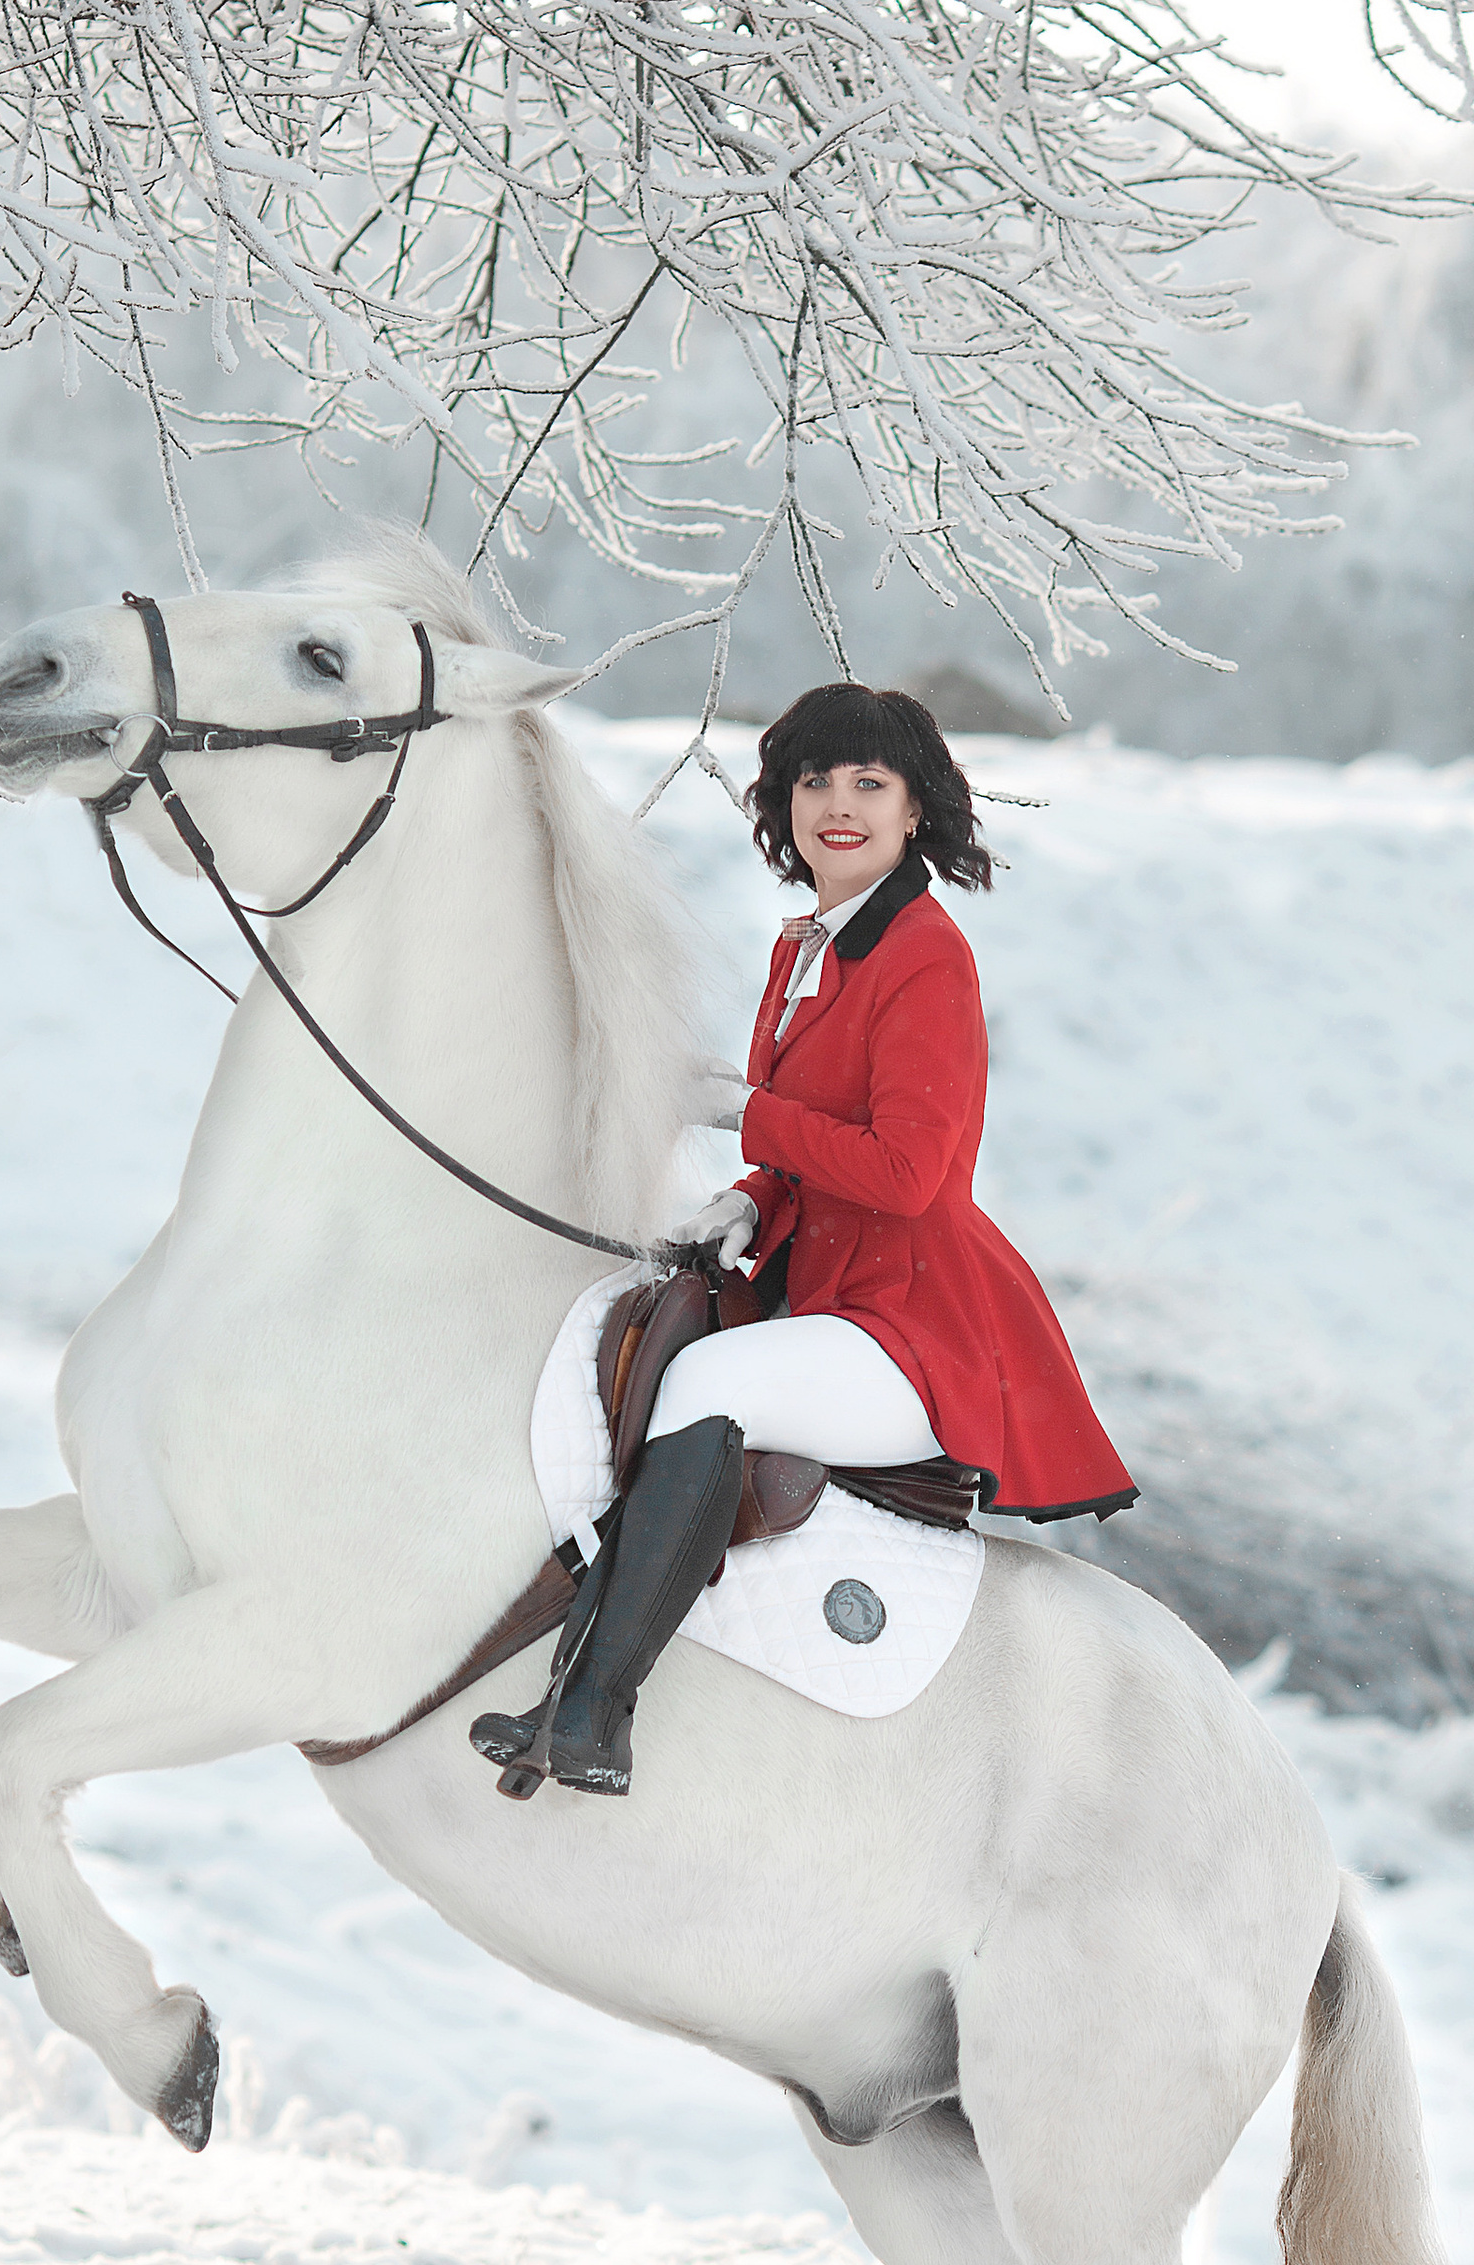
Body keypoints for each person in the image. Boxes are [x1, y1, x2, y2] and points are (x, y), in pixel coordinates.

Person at [473, 683, 1136, 1800]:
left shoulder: (926, 954)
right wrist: (749, 1196)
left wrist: (743, 1113)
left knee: (705, 1384)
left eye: (868, 784)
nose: (838, 805)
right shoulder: (804, 949)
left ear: (916, 807)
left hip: (915, 1318)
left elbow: (909, 1171)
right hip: (832, 1286)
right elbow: (807, 1156)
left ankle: (594, 1708)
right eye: (813, 782)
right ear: (781, 804)